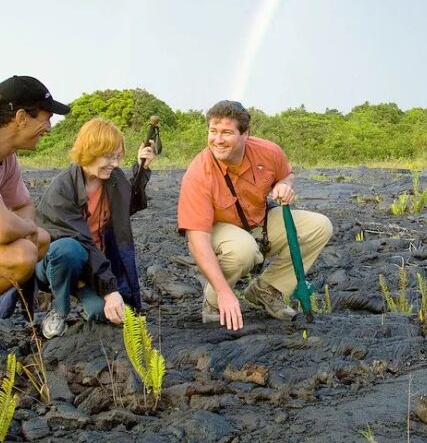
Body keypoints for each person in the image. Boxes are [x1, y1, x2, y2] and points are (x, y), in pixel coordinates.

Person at [178, 100, 333, 331]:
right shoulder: (198, 173)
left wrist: (283, 185)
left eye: (227, 133)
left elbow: (286, 175)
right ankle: (213, 302)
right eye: (213, 131)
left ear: (245, 134)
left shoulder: (268, 152)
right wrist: (223, 293)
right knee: (243, 249)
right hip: (221, 229)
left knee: (320, 226)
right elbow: (197, 239)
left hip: (259, 222)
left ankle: (267, 289)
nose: (218, 140)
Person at [36, 118, 156, 339]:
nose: (115, 163)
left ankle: (83, 290)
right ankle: (59, 309)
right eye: (109, 157)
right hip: (56, 265)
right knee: (67, 249)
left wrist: (141, 170)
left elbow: (128, 206)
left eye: (118, 156)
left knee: (112, 314)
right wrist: (110, 291)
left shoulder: (113, 178)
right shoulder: (61, 189)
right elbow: (82, 241)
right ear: (89, 151)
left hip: (93, 268)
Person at [0, 75, 70, 317]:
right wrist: (22, 228)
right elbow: (4, 228)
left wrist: (25, 228)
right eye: (46, 119)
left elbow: (23, 205)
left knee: (39, 239)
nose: (49, 128)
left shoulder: (7, 157)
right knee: (21, 255)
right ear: (21, 118)